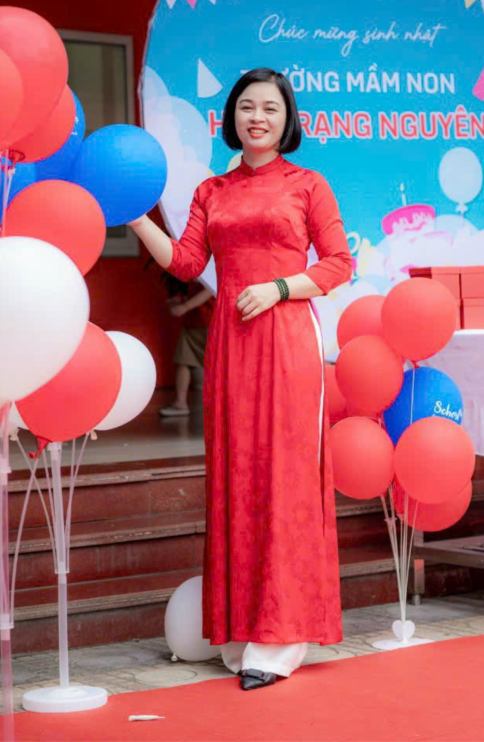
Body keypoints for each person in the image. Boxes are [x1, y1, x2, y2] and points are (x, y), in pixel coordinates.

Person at [129, 68, 352, 691]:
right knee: (238, 477)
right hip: (231, 346)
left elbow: (339, 263)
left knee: (285, 478)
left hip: (288, 343)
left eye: (271, 108)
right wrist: (134, 216)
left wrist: (280, 287)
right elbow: (187, 262)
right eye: (247, 106)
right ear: (231, 116)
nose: (258, 117)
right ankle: (241, 627)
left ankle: (281, 636)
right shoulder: (212, 191)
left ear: (287, 120)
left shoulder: (308, 185)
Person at [161, 275, 214, 418]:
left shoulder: (211, 266)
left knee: (218, 364)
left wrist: (185, 306)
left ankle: (181, 403)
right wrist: (179, 301)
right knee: (183, 360)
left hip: (209, 320)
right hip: (195, 322)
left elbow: (211, 289)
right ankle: (180, 402)